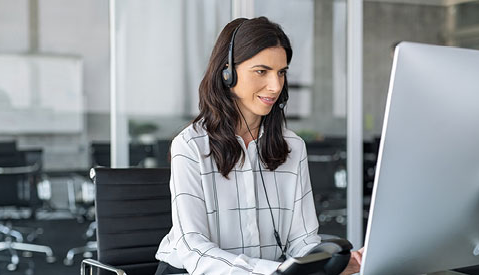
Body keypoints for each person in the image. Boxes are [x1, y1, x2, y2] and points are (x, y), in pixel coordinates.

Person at [155, 16, 363, 275]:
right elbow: (193, 248)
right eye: (261, 71)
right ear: (227, 72)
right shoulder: (190, 146)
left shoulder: (293, 147)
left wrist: (329, 266)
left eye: (281, 72)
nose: (275, 86)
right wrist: (276, 272)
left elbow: (303, 241)